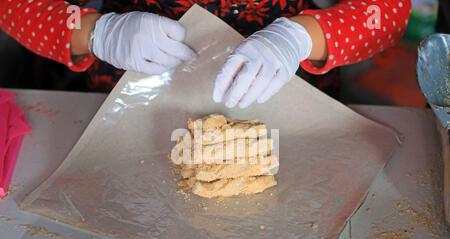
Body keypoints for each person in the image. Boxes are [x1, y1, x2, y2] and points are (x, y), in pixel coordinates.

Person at [0, 1, 411, 107]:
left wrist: (299, 38)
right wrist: (97, 32)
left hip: (284, 90)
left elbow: (391, 11)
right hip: (130, 91)